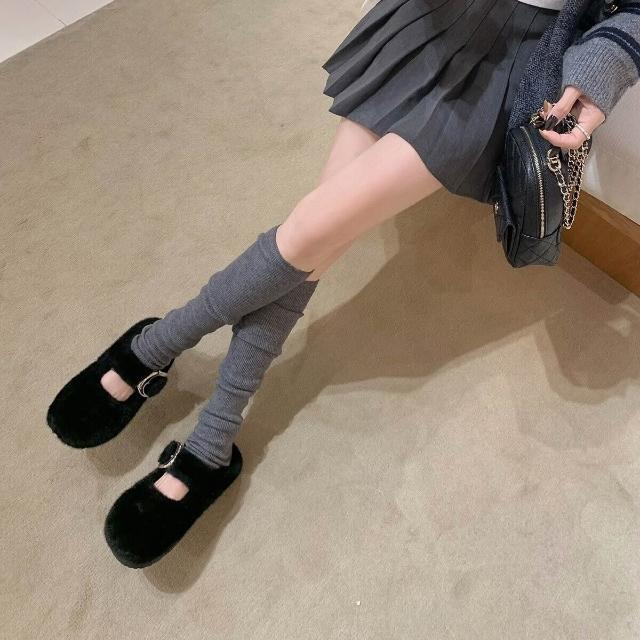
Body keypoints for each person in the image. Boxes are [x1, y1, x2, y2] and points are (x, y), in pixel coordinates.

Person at [46, 0, 640, 568]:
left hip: (525, 53)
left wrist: (603, 66)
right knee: (320, 234)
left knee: (310, 230)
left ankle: (156, 346)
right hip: (433, 19)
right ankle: (209, 435)